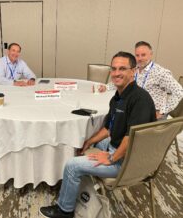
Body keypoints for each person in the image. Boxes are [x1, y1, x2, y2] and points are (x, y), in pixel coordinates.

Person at [39, 51, 156, 218]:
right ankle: (75, 187)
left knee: (71, 166)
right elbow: (108, 129)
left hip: (128, 160)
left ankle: (64, 210)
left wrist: (111, 158)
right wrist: (88, 142)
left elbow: (132, 138)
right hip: (117, 148)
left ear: (134, 71)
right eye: (114, 69)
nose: (116, 73)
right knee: (83, 143)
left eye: (122, 68)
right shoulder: (117, 97)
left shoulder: (140, 99)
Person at [98, 41, 183, 119]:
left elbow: (179, 91)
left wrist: (163, 111)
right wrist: (106, 87)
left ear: (150, 54)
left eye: (143, 55)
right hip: (134, 109)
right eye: (137, 55)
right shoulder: (134, 69)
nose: (140, 58)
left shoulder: (160, 73)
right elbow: (124, 81)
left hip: (152, 114)